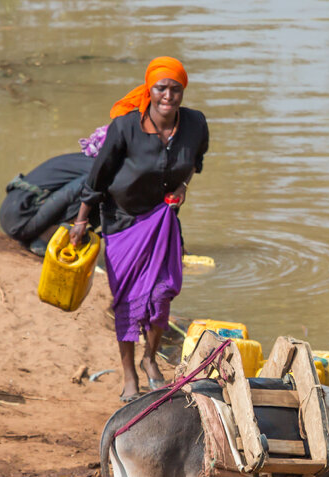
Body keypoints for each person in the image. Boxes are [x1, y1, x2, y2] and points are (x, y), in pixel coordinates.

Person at [68, 56, 209, 403]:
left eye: (175, 89)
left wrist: (183, 187)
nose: (168, 96)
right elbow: (97, 178)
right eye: (161, 88)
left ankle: (150, 358)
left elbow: (195, 163)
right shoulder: (126, 127)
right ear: (150, 89)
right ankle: (129, 374)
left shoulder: (195, 124)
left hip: (162, 220)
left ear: (182, 91)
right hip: (121, 221)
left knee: (162, 294)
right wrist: (82, 220)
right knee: (129, 301)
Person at [0, 152, 100, 255]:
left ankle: (36, 236)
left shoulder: (88, 157)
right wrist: (80, 223)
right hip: (22, 217)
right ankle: (45, 239)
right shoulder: (101, 168)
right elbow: (74, 193)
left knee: (94, 189)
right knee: (92, 187)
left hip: (10, 213)